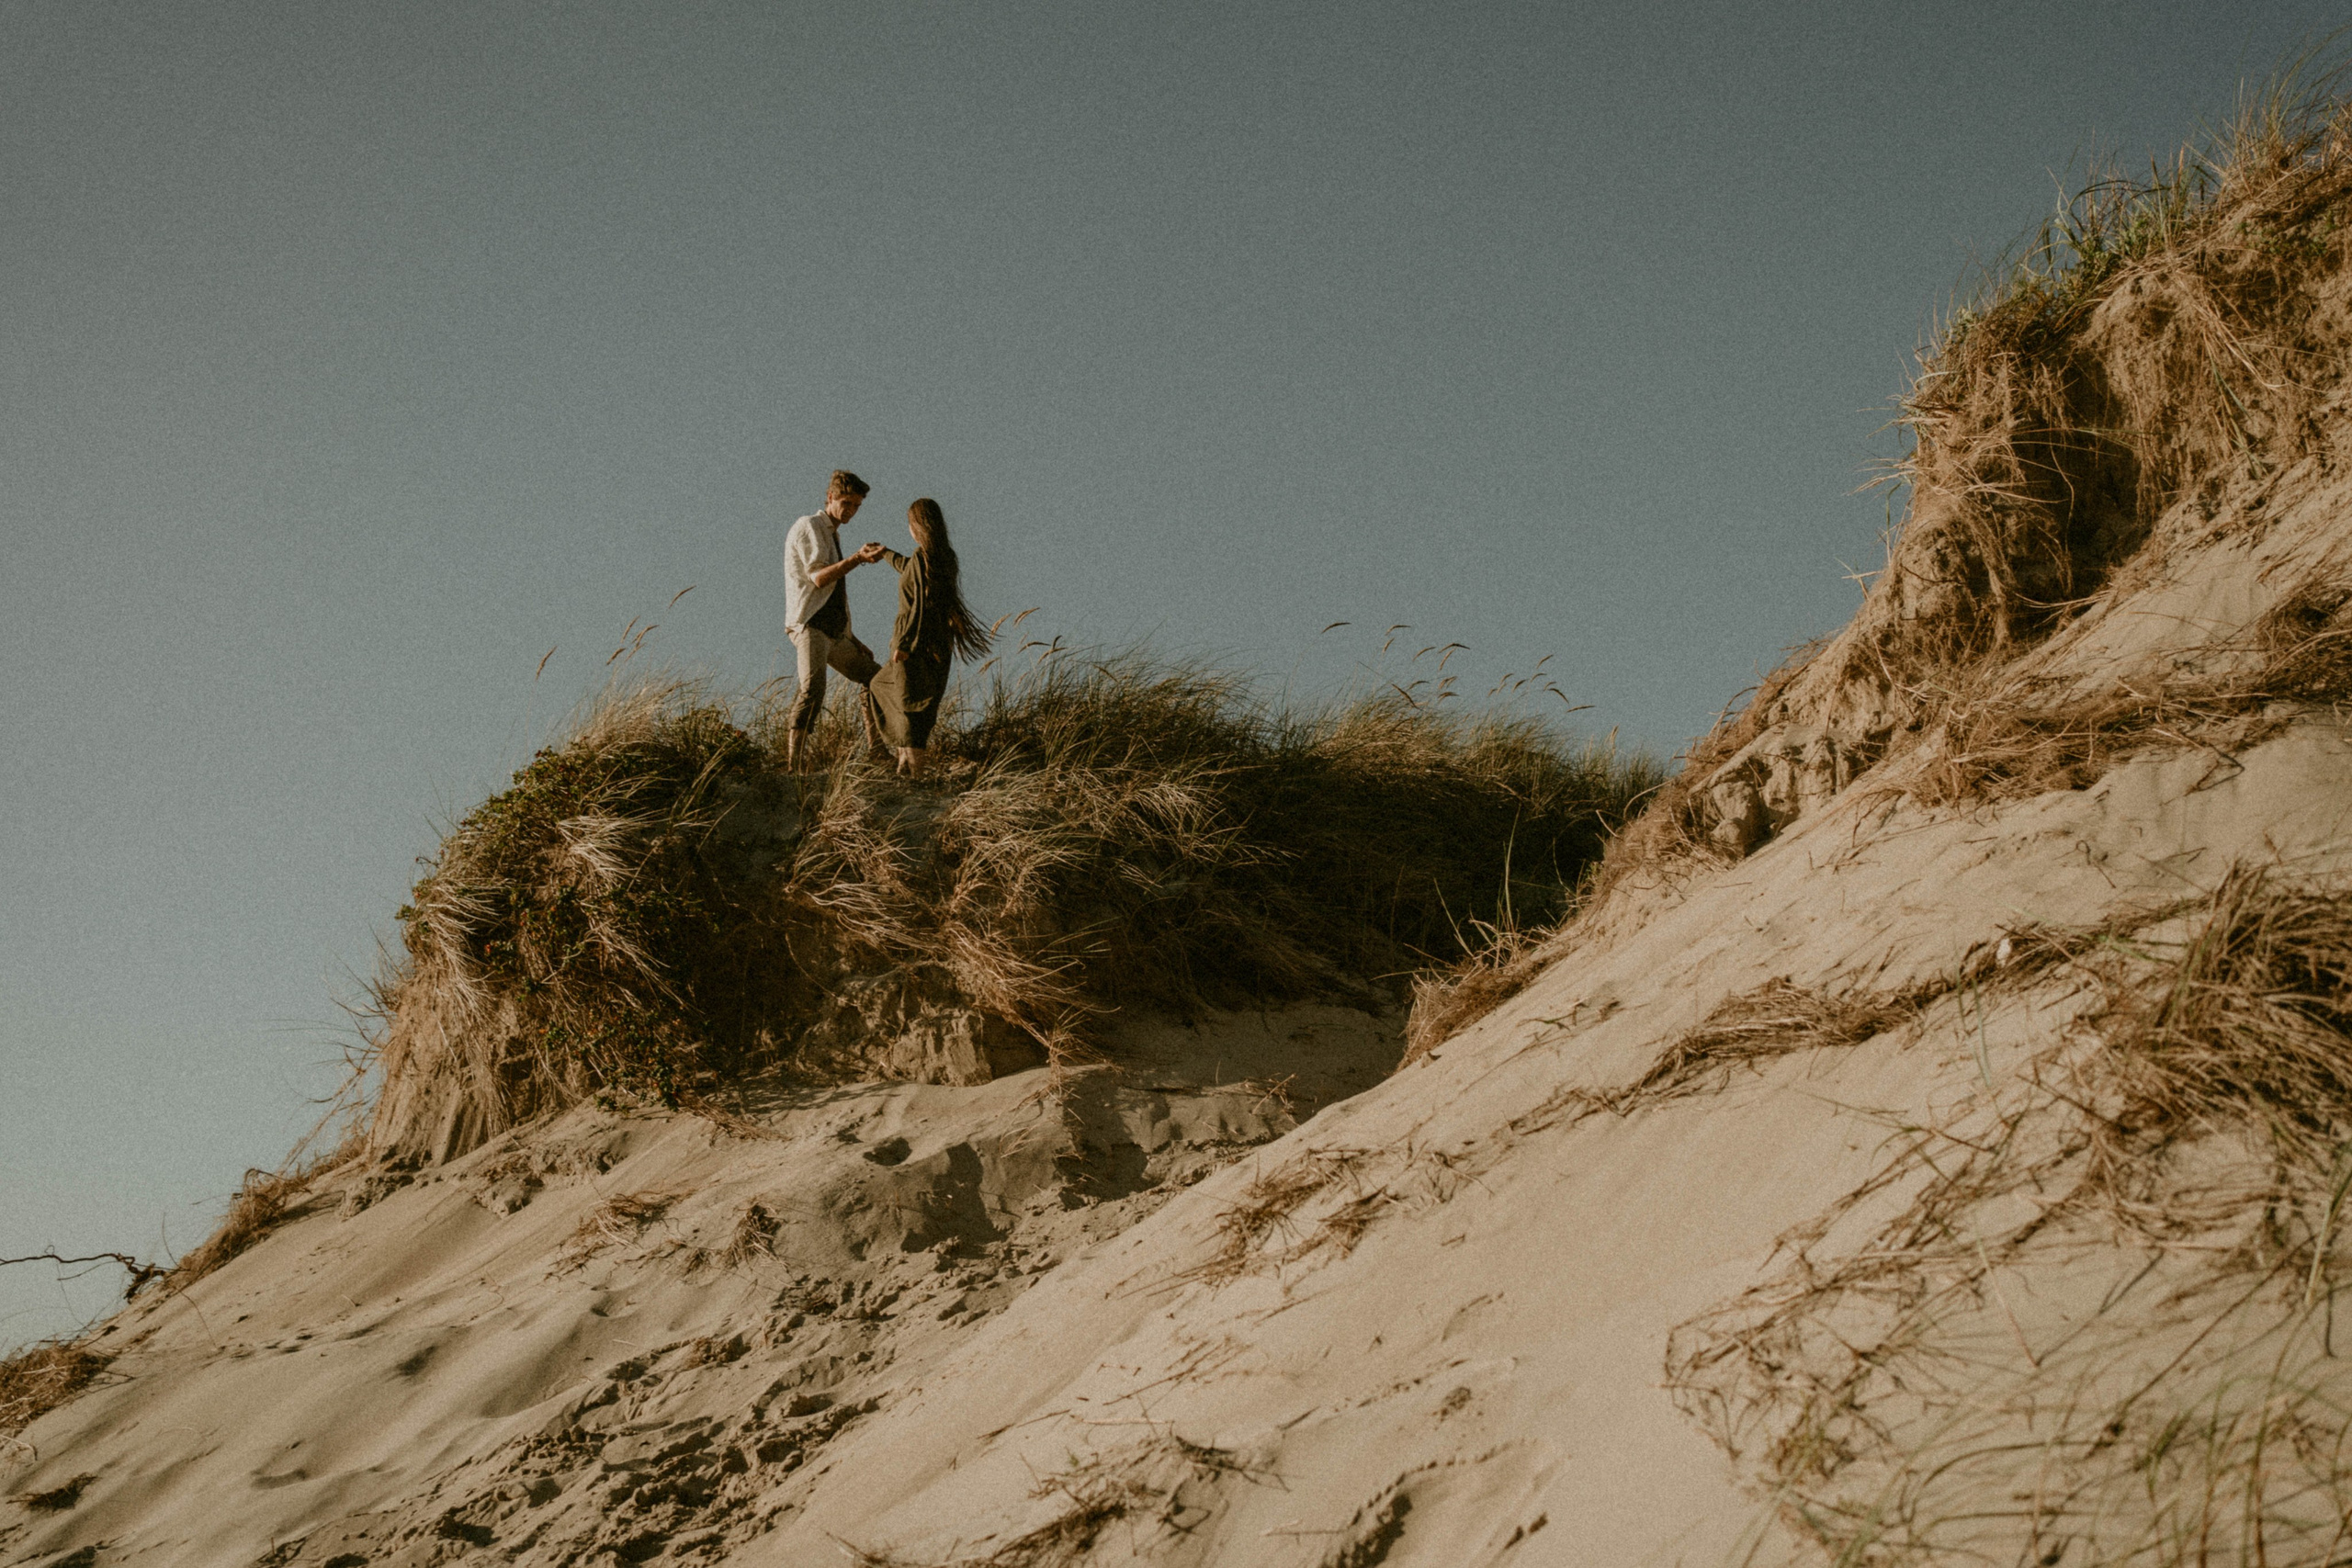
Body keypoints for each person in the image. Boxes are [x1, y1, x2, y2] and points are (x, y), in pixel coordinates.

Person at [861, 497, 991, 778]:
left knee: (909, 708)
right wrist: (885, 553)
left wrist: (904, 645)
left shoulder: (924, 558)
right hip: (937, 645)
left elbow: (918, 606)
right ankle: (905, 767)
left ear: (916, 526)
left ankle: (916, 775)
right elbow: (910, 569)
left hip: (915, 646)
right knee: (889, 690)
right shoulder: (942, 557)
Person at [782, 469, 888, 771]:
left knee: (875, 678)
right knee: (813, 689)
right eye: (846, 503)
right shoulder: (810, 526)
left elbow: (835, 594)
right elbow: (818, 579)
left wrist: (852, 637)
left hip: (834, 632)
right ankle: (794, 763)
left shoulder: (832, 533)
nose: (851, 511)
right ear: (830, 498)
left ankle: (876, 749)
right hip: (809, 625)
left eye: (856, 506)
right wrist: (856, 559)